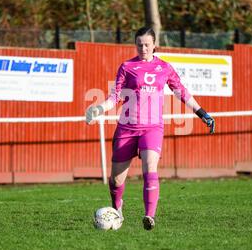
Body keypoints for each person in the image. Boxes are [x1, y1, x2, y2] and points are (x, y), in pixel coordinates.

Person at [86, 27, 215, 230]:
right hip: (126, 129)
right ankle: (117, 208)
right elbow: (116, 96)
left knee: (150, 169)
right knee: (117, 180)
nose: (143, 48)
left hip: (152, 128)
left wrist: (202, 113)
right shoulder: (127, 66)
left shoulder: (164, 68)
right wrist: (100, 108)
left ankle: (149, 216)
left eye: (147, 44)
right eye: (139, 44)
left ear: (154, 45)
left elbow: (181, 92)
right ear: (135, 45)